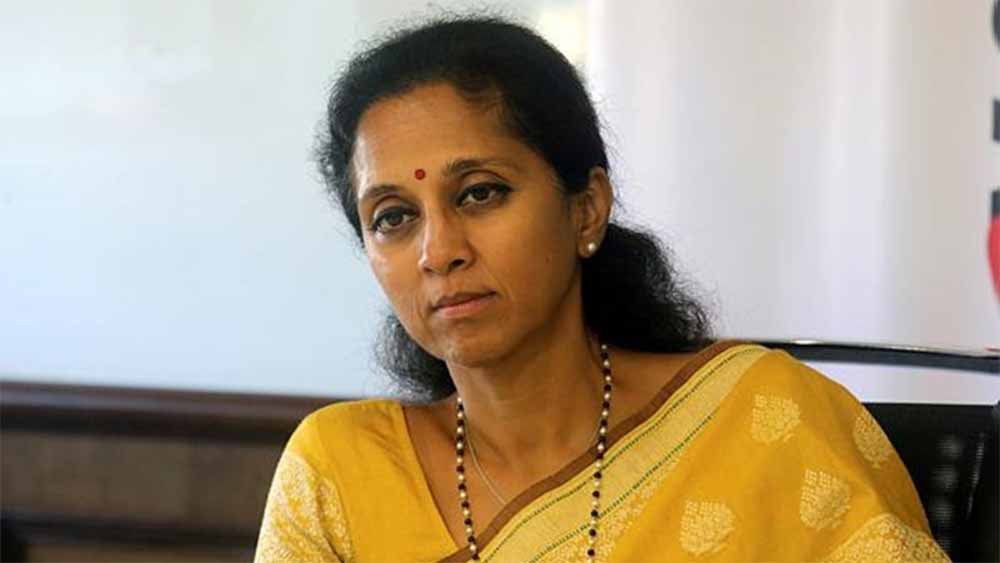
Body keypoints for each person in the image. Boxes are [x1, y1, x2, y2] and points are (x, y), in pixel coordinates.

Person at [254, 15, 947, 563]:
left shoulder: (767, 420)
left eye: (480, 193)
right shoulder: (340, 473)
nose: (439, 251)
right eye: (393, 218)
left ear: (586, 208)